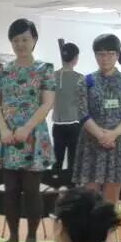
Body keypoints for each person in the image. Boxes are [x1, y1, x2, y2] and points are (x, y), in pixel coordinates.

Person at [0, 19, 56, 242]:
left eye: (25, 39)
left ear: (34, 40)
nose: (20, 44)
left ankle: (31, 236)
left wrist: (27, 127)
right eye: (16, 40)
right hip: (8, 137)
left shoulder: (45, 69)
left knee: (31, 189)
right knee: (10, 189)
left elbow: (47, 103)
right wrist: (4, 129)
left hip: (33, 136)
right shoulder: (2, 70)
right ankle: (12, 235)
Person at [72, 34, 121, 207]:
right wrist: (101, 136)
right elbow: (83, 114)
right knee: (89, 198)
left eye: (110, 54)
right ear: (95, 55)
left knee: (111, 200)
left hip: (118, 144)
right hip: (92, 143)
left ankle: (108, 226)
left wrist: (112, 135)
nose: (105, 58)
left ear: (117, 55)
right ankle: (88, 226)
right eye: (100, 54)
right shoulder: (86, 81)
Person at [52, 42, 83, 170]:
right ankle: (71, 183)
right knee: (73, 162)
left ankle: (55, 182)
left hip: (57, 125)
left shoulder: (52, 76)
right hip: (74, 124)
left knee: (57, 161)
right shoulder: (80, 78)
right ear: (75, 59)